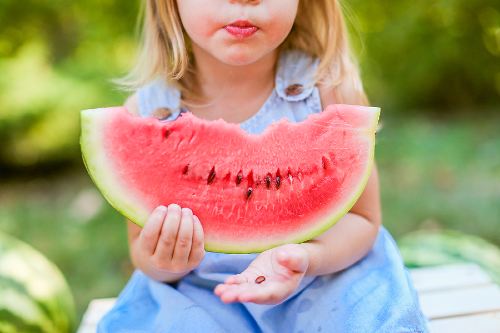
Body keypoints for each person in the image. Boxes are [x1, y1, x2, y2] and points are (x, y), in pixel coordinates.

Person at [98, 0, 429, 332]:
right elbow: (143, 251)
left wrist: (306, 258)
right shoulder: (148, 115)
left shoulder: (328, 91)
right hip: (205, 299)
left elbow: (363, 219)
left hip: (323, 284)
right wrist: (165, 261)